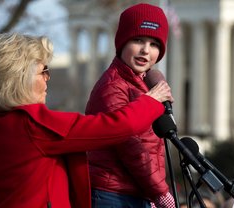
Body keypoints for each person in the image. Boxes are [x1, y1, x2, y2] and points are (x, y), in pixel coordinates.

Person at [0, 32, 173, 208]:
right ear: (19, 79)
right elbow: (117, 126)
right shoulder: (33, 124)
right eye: (43, 71)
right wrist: (151, 100)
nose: (48, 78)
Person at [85, 3, 175, 208]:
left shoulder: (144, 85)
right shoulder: (112, 86)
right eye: (138, 40)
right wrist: (160, 193)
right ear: (122, 42)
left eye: (154, 44)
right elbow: (130, 146)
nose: (146, 50)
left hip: (134, 194)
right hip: (112, 196)